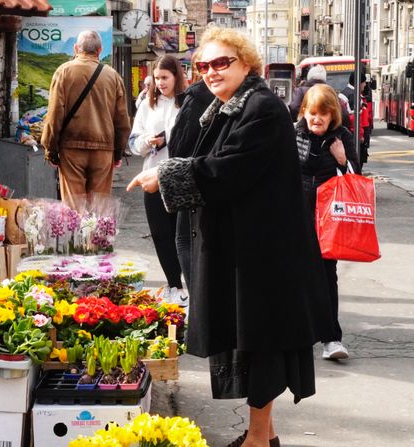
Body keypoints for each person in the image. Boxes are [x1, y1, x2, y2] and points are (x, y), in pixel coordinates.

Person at [127, 27, 333, 447]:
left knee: (261, 344)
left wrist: (164, 174)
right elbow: (206, 158)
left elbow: (226, 168)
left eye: (222, 63)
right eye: (203, 65)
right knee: (249, 341)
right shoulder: (225, 107)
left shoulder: (260, 108)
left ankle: (258, 440)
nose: (211, 72)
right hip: (246, 248)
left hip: (264, 254)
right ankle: (264, 435)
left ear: (246, 64)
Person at [295, 84, 360, 361]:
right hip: (296, 217)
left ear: (333, 114)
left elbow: (356, 178)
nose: (317, 119)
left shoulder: (341, 137)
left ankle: (331, 339)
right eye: (312, 113)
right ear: (305, 113)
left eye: (323, 113)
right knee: (294, 277)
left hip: (328, 221)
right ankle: (297, 336)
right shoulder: (292, 134)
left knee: (325, 278)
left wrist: (343, 159)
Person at [41, 30, 131, 209]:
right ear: (99, 50)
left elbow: (54, 115)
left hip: (71, 149)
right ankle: (95, 237)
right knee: (98, 208)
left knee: (74, 209)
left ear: (76, 48)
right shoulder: (113, 76)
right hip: (103, 150)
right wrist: (118, 152)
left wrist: (50, 149)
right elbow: (122, 120)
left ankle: (78, 237)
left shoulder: (63, 72)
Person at [129, 56, 188, 306]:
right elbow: (133, 142)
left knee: (182, 235)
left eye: (165, 77)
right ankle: (173, 284)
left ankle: (188, 285)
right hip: (151, 175)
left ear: (176, 77)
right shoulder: (147, 105)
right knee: (160, 234)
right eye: (157, 77)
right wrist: (148, 141)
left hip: (180, 177)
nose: (160, 82)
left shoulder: (186, 103)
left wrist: (170, 139)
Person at [168, 57, 215, 290]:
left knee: (185, 239)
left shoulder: (195, 98)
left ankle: (197, 297)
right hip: (215, 181)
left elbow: (177, 145)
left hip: (191, 178)